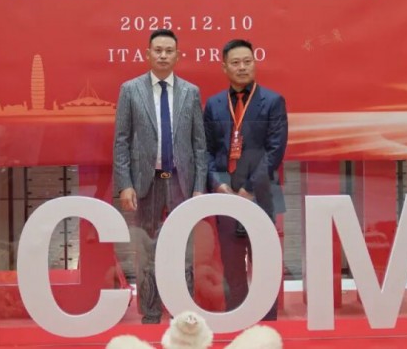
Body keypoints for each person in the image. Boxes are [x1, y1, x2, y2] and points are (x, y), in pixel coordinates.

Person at [113, 29, 208, 324]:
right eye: (158, 50)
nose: (163, 55)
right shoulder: (131, 90)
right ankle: (151, 312)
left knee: (184, 248)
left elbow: (199, 145)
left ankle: (183, 311)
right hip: (146, 182)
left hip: (181, 181)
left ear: (177, 55)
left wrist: (199, 187)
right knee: (147, 248)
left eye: (169, 51)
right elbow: (121, 141)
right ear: (148, 54)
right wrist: (125, 184)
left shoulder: (190, 92)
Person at [203, 39, 288, 321]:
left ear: (255, 63)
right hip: (225, 194)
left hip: (260, 192)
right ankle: (236, 319)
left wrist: (249, 188)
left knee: (263, 262)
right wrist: (219, 185)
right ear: (225, 67)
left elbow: (275, 150)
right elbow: (207, 150)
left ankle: (268, 323)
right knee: (232, 263)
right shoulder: (214, 104)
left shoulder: (273, 101)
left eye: (247, 61)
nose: (242, 67)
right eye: (236, 62)